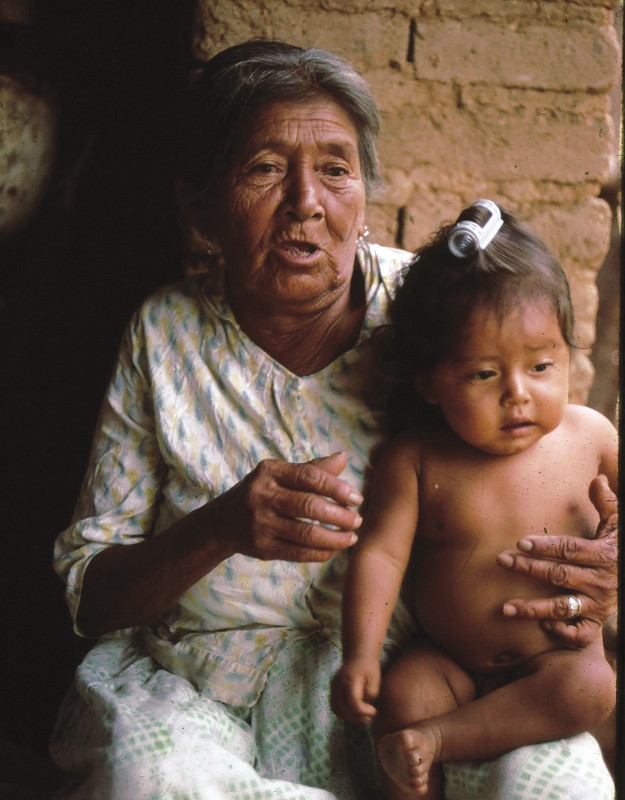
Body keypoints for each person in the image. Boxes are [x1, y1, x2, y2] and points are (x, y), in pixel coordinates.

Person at [50, 42, 618, 800]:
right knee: (157, 782)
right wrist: (218, 529)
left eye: (335, 168)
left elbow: (554, 454)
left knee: (560, 785)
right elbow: (91, 595)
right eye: (261, 169)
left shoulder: (441, 313)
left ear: (365, 194)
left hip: (425, 679)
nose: (305, 203)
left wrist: (601, 564)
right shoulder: (165, 335)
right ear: (201, 207)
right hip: (201, 688)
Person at [330, 200, 618, 800]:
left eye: (541, 365)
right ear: (431, 383)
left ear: (570, 351)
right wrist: (359, 655)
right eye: (483, 375)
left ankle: (440, 739)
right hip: (449, 662)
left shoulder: (592, 437)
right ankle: (421, 767)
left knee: (592, 688)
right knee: (403, 696)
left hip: (554, 662)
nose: (517, 393)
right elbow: (380, 556)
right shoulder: (416, 459)